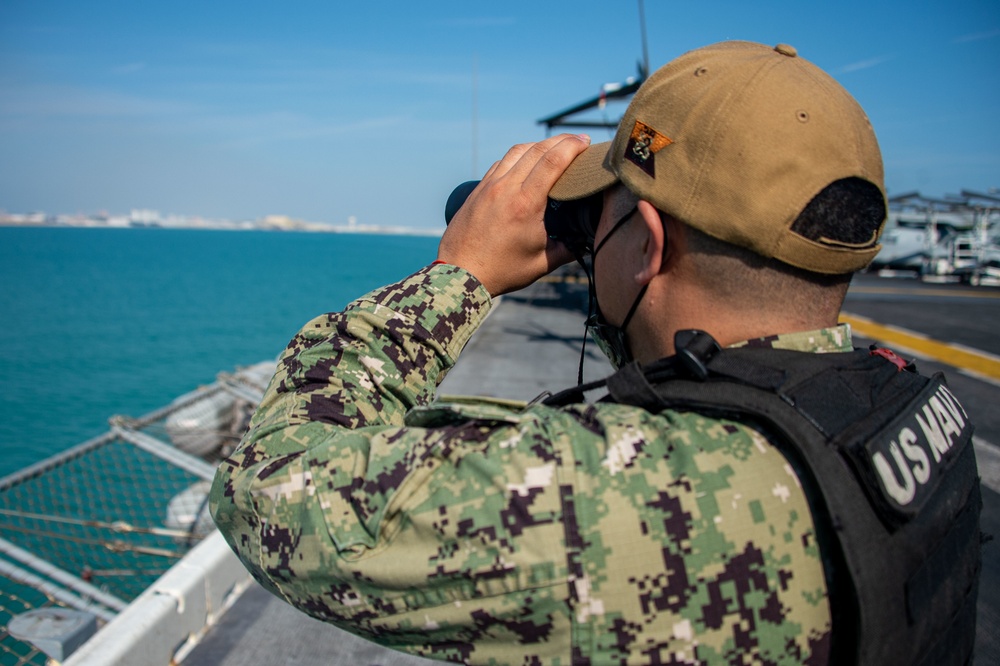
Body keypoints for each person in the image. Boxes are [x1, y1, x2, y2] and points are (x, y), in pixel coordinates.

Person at [211, 41, 981, 665]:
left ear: (646, 244)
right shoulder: (902, 409)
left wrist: (459, 277)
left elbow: (266, 482)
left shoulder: (625, 498)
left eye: (601, 216)